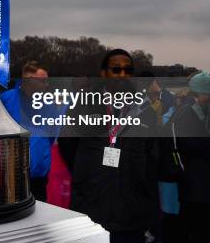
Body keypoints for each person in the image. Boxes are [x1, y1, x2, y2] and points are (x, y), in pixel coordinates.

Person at [63, 49, 159, 243]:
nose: (122, 75)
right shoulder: (84, 105)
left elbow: (152, 155)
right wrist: (90, 175)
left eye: (127, 70)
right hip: (93, 206)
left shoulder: (144, 110)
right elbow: (67, 145)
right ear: (103, 73)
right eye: (116, 69)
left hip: (131, 211)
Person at [171, 72, 210, 243]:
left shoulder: (185, 109)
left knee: (196, 225)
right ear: (202, 93)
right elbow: (190, 143)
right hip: (197, 181)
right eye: (209, 95)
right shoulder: (188, 112)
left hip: (193, 180)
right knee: (201, 227)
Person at [0, 61, 54, 201]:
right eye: (43, 81)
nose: (47, 85)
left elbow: (51, 137)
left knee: (41, 216)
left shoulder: (50, 104)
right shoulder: (6, 99)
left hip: (39, 177)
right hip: (11, 175)